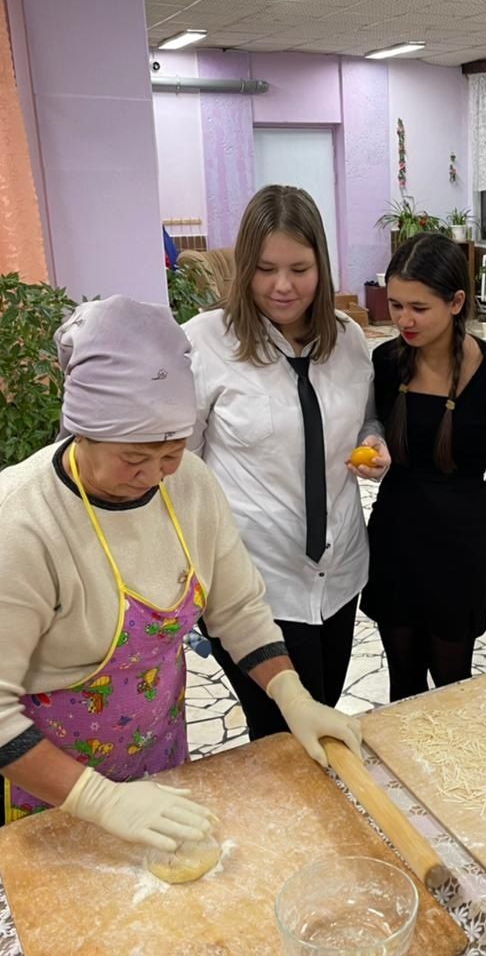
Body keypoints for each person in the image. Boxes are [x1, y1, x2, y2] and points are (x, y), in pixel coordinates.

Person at [0, 296, 362, 851]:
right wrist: (101, 801)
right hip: (34, 779)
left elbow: (237, 609)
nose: (155, 475)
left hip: (150, 751)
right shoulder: (22, 520)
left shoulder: (189, 483)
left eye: (170, 452)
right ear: (82, 431)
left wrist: (292, 696)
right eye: (135, 457)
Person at [182, 186, 388, 739]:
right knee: (279, 735)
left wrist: (375, 444)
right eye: (266, 268)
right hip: (253, 583)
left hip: (340, 572)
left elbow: (366, 420)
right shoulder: (202, 345)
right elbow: (181, 472)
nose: (283, 286)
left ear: (321, 264)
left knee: (321, 705)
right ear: (244, 268)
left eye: (299, 268)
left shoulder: (348, 340)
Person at [362, 233, 486, 701]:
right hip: (395, 536)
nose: (403, 320)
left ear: (456, 302)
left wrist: (473, 525)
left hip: (458, 549)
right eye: (395, 305)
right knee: (403, 683)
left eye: (419, 307)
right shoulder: (387, 362)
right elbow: (371, 427)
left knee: (452, 686)